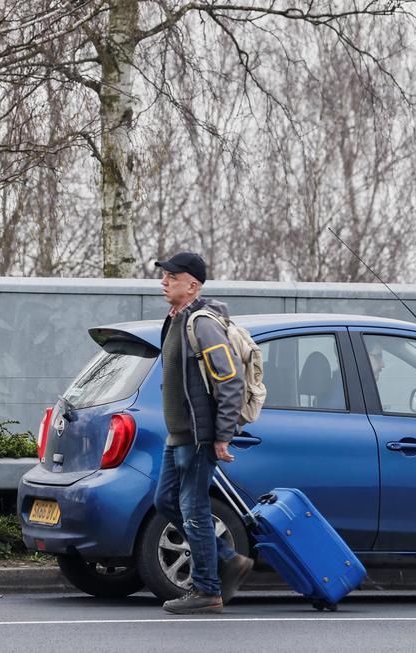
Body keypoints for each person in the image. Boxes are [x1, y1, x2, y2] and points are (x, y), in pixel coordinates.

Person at [152, 251, 254, 615]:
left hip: (199, 435)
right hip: (177, 434)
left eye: (172, 277)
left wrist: (222, 435)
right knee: (165, 501)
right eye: (163, 276)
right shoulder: (175, 319)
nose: (164, 281)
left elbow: (230, 381)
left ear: (192, 285)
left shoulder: (203, 324)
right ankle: (227, 557)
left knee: (193, 509)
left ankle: (208, 590)